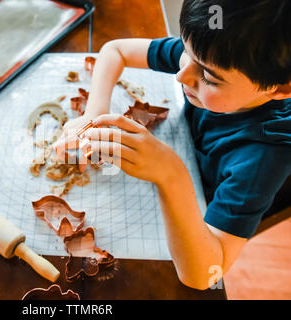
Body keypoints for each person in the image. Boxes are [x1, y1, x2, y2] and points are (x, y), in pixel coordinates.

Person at [54, 0, 291, 290]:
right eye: (185, 52)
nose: (181, 75)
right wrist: (92, 116)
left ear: (280, 88)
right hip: (182, 145)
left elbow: (203, 275)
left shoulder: (263, 157)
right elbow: (114, 50)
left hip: (198, 211)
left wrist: (171, 176)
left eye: (209, 78)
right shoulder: (214, 47)